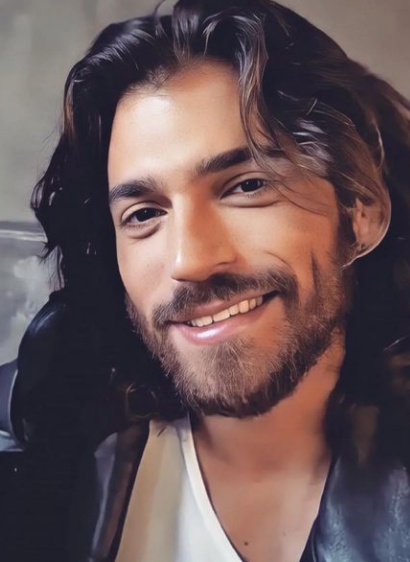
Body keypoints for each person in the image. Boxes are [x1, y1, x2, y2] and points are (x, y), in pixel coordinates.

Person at [1, 0, 410, 561]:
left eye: (246, 186)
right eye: (144, 214)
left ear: (359, 208)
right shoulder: (45, 436)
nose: (189, 260)